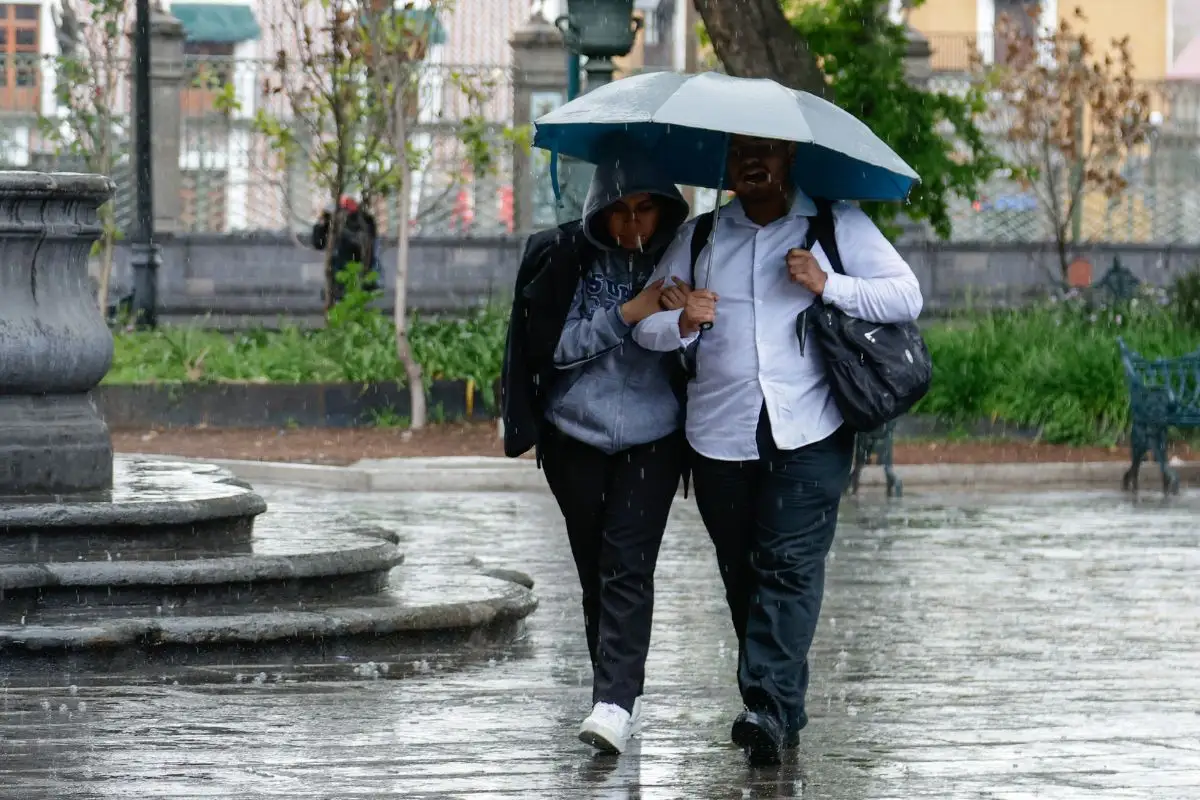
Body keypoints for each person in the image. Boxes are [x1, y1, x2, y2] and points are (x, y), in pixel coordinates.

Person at [633, 135, 924, 765]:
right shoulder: (702, 237)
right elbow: (646, 325)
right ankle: (780, 711)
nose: (752, 162)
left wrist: (829, 283)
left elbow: (907, 295)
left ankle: (762, 702)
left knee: (789, 569)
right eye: (739, 153)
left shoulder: (834, 222)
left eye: (765, 150)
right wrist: (681, 321)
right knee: (745, 577)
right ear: (726, 165)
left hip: (810, 430)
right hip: (718, 436)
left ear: (791, 156)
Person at [500, 135, 691, 755]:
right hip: (574, 437)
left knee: (628, 567)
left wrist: (686, 318)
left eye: (646, 209)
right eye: (621, 209)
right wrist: (628, 313)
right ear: (600, 208)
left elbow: (695, 353)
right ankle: (607, 691)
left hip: (654, 439)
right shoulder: (562, 258)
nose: (633, 222)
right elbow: (550, 349)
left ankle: (616, 701)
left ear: (666, 208)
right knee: (595, 571)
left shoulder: (686, 257)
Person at [311, 195, 379, 306]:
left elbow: (370, 244)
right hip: (339, 277)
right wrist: (322, 222)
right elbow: (318, 243)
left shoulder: (364, 220)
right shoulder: (332, 219)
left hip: (356, 274)